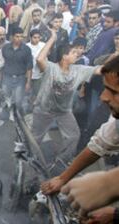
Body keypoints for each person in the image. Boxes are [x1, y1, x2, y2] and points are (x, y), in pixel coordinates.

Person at [41, 55, 119, 224]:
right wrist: (62, 178)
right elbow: (98, 145)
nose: (103, 98)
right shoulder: (117, 122)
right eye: (105, 89)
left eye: (114, 92)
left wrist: (115, 215)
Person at [31, 29, 102, 167]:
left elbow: (100, 69)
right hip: (44, 109)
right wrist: (52, 38)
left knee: (74, 135)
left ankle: (62, 159)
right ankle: (30, 159)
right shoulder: (51, 68)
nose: (78, 54)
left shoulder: (79, 70)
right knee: (36, 138)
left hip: (64, 111)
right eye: (74, 52)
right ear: (64, 56)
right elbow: (40, 59)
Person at [1, 27, 33, 112]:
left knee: (18, 100)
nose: (19, 39)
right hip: (7, 78)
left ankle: (15, 116)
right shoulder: (5, 48)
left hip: (20, 79)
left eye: (21, 37)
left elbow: (29, 67)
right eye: (17, 36)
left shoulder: (26, 50)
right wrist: (1, 75)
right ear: (12, 37)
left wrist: (28, 83)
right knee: (4, 98)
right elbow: (3, 62)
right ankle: (5, 116)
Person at [26, 29, 45, 111]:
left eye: (38, 37)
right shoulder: (26, 47)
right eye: (34, 37)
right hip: (28, 75)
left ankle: (35, 110)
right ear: (30, 38)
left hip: (39, 75)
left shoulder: (43, 45)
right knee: (27, 93)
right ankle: (26, 109)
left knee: (37, 93)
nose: (37, 39)